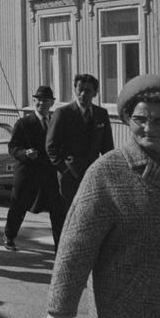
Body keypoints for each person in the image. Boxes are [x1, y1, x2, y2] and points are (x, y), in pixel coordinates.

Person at [44, 74, 160, 318]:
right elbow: (76, 245)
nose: (148, 128)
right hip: (124, 315)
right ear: (127, 120)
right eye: (140, 119)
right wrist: (60, 310)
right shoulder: (107, 172)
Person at [4, 86, 65, 251]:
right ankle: (9, 236)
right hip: (27, 173)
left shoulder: (56, 123)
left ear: (51, 103)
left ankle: (59, 246)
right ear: (34, 101)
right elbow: (13, 147)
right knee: (18, 206)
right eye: (39, 100)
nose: (42, 103)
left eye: (45, 100)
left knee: (57, 210)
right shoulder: (23, 123)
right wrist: (25, 153)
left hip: (49, 174)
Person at [46, 74, 115, 214]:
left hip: (93, 174)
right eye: (79, 90)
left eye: (88, 91)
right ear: (75, 90)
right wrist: (64, 170)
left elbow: (107, 147)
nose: (83, 94)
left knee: (91, 213)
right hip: (70, 175)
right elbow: (51, 146)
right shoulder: (63, 113)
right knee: (70, 215)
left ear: (95, 93)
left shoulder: (101, 114)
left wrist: (105, 171)